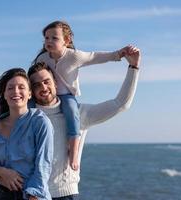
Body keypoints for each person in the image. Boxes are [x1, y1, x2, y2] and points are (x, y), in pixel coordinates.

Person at [26, 45, 141, 199]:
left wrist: (133, 67)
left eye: (47, 81)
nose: (43, 87)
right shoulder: (25, 116)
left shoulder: (79, 114)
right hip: (33, 194)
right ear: (31, 90)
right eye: (36, 85)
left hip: (66, 194)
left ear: (55, 82)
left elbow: (120, 104)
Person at [32, 20, 136, 171]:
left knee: (73, 115)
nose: (49, 41)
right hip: (47, 98)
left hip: (67, 96)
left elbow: (95, 57)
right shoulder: (42, 59)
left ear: (66, 41)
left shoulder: (74, 56)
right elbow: (34, 75)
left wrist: (118, 54)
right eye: (46, 38)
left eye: (54, 38)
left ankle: (73, 152)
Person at [0, 68, 54, 200]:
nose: (16, 91)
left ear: (29, 94)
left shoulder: (40, 122)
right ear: (4, 94)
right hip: (0, 195)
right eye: (10, 88)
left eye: (21, 87)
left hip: (32, 196)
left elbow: (43, 165)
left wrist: (34, 195)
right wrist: (0, 171)